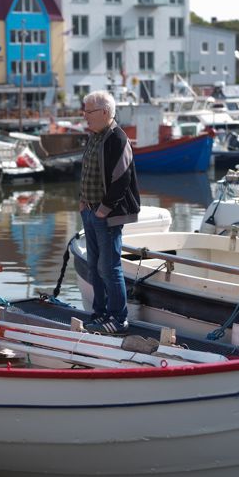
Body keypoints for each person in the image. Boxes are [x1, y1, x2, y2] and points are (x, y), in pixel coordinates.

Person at [79, 90, 141, 335]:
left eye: (89, 112)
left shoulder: (117, 138)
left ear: (104, 112)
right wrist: (83, 201)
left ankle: (118, 318)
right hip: (91, 211)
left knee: (109, 267)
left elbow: (122, 178)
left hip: (107, 214)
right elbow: (88, 172)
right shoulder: (94, 136)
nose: (85, 116)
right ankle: (100, 313)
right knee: (94, 266)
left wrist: (103, 209)